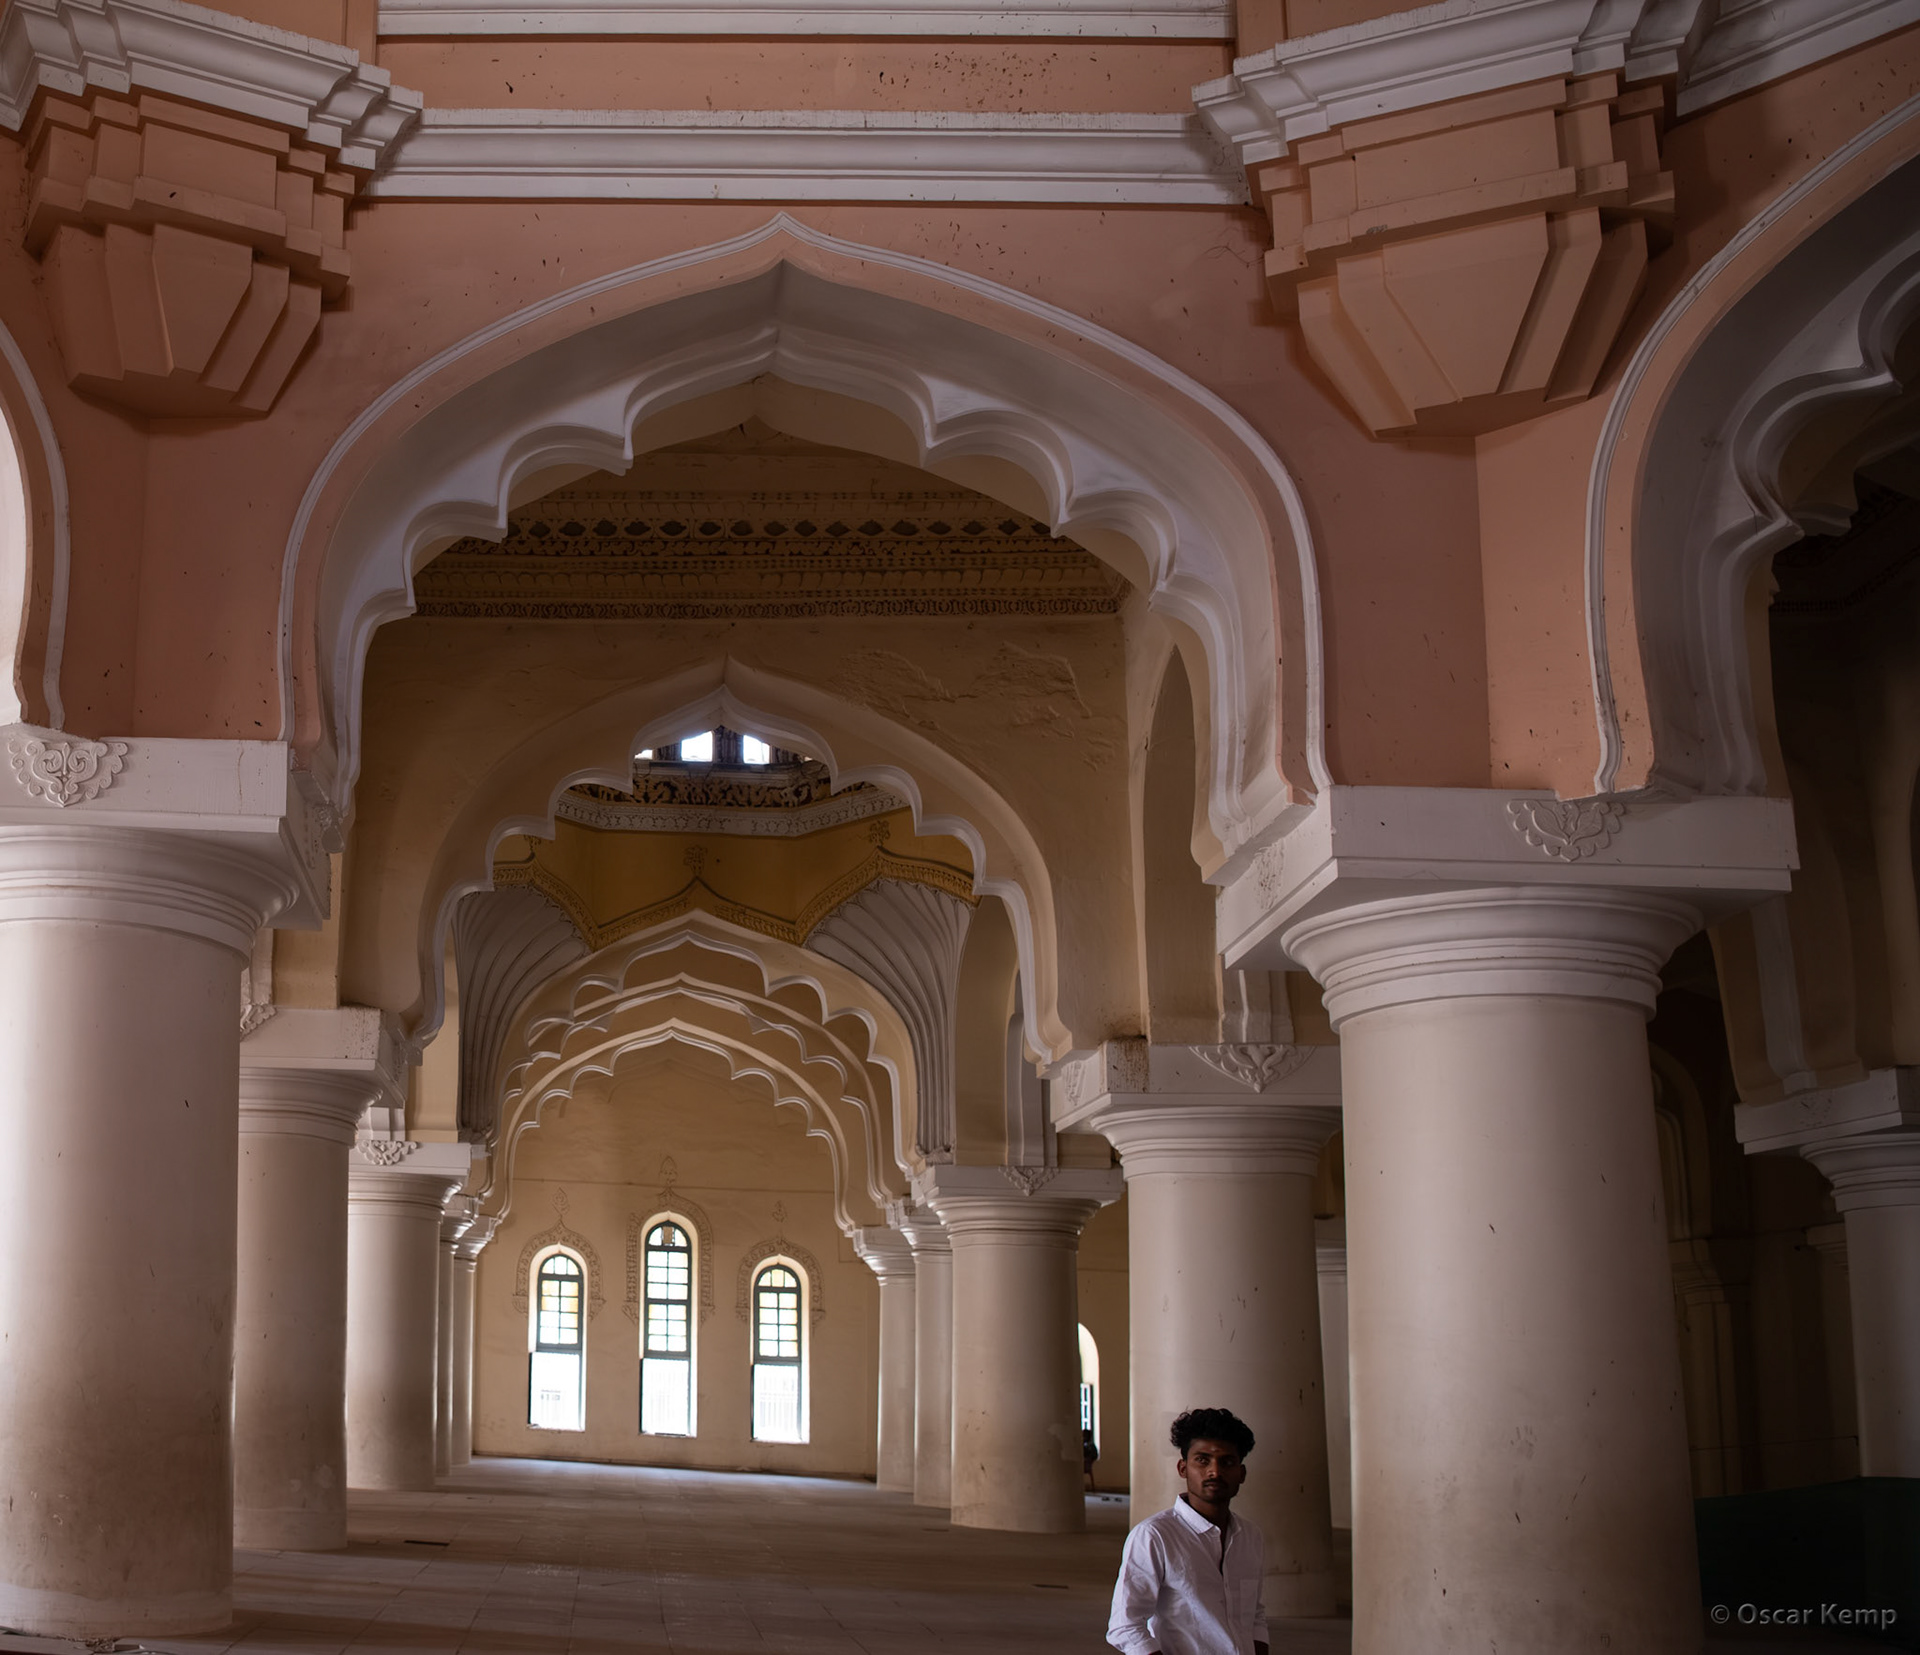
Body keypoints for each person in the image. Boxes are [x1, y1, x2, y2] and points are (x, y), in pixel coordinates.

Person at [1106, 1407, 1269, 1655]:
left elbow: (1254, 1616)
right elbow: (1125, 1625)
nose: (1214, 1471)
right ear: (1183, 1469)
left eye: (1227, 1462)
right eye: (1202, 1460)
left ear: (1241, 1473)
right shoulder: (1154, 1536)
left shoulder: (1250, 1536)